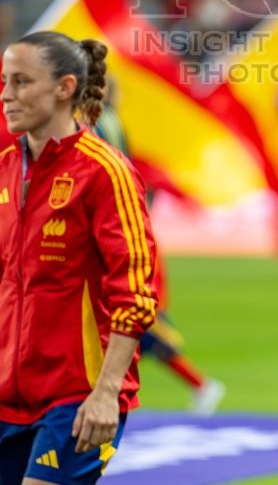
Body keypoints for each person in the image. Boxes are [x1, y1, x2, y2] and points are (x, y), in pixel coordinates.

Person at [0, 31, 158, 483]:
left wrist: (107, 392)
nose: (6, 95)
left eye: (21, 82)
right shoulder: (6, 168)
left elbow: (134, 292)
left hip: (76, 395)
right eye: (5, 82)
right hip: (7, 397)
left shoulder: (105, 172)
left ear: (64, 87)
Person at [93, 94, 225, 416]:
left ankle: (202, 386)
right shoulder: (118, 140)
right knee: (139, 343)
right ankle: (200, 387)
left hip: (136, 271)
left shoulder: (105, 142)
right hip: (135, 263)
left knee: (146, 341)